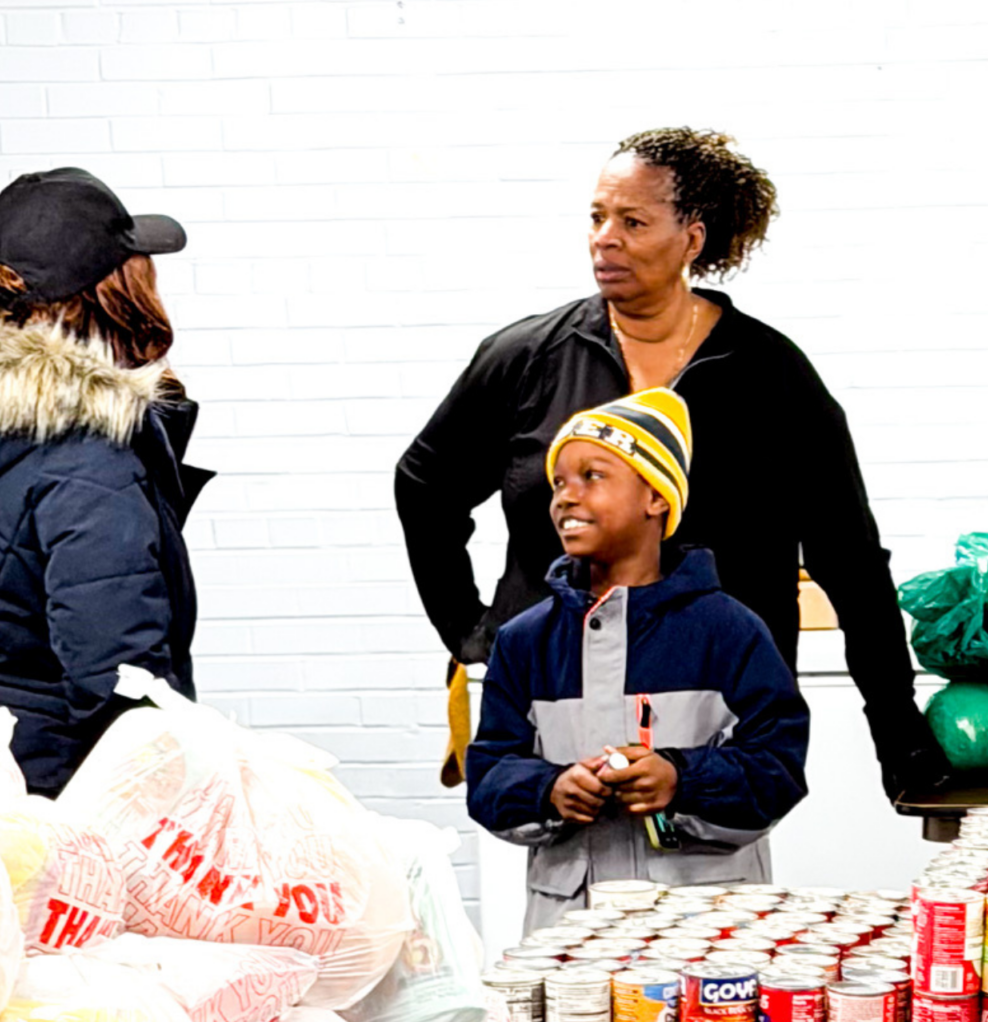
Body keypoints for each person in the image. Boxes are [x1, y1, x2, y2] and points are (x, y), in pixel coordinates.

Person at [401, 126, 943, 801]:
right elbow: (424, 484)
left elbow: (851, 561)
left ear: (693, 236)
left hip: (718, 710)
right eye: (597, 217)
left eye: (633, 221)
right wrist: (470, 629)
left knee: (712, 899)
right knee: (566, 892)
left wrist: (897, 730)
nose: (606, 238)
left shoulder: (770, 375)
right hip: (555, 706)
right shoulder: (526, 358)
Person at [467, 387, 809, 1022]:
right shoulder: (528, 643)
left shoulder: (730, 630)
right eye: (557, 482)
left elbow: (781, 766)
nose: (564, 496)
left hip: (712, 929)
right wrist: (548, 792)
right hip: (577, 935)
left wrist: (684, 776)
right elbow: (490, 777)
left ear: (657, 498)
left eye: (592, 477)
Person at [0, 168, 206, 794]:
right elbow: (118, 674)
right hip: (67, 798)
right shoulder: (86, 455)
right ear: (109, 294)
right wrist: (170, 796)